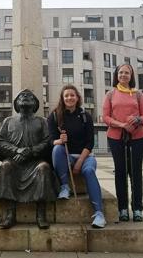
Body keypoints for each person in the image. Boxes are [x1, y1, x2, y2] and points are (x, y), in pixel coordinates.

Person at [0, 89, 57, 229]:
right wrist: (16, 150)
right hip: (15, 161)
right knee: (5, 166)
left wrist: (31, 151)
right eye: (22, 96)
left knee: (44, 168)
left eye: (30, 96)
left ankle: (41, 213)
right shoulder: (8, 121)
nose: (25, 97)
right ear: (16, 103)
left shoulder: (42, 121)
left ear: (35, 104)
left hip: (35, 161)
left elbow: (48, 141)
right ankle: (10, 214)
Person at [49, 85, 106, 228]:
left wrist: (80, 162)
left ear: (77, 97)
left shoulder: (85, 116)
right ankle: (64, 186)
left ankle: (99, 213)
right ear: (62, 99)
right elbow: (50, 140)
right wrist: (60, 141)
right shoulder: (55, 115)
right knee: (57, 149)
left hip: (85, 156)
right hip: (65, 156)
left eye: (72, 95)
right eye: (66, 95)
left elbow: (90, 143)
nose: (69, 98)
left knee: (89, 171)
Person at [102, 64, 143, 222]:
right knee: (120, 172)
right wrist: (122, 124)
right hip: (116, 137)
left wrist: (137, 120)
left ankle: (137, 208)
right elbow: (106, 117)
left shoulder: (138, 94)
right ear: (116, 75)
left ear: (131, 76)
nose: (123, 75)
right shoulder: (110, 94)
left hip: (138, 137)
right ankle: (122, 208)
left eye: (127, 73)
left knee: (136, 172)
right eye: (121, 72)